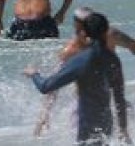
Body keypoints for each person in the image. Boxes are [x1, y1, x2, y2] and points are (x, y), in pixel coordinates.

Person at [24, 12, 127, 145]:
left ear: (84, 33)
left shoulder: (81, 60)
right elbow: (119, 98)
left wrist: (34, 74)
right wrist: (123, 130)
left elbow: (46, 87)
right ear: (106, 31)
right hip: (106, 126)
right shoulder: (113, 59)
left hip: (87, 129)